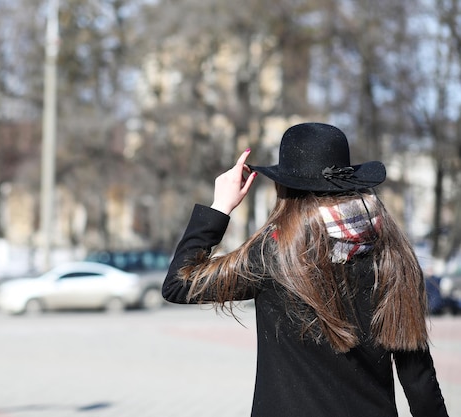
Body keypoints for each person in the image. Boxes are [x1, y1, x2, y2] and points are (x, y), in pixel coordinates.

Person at [162, 122, 449, 417]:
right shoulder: (393, 257)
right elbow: (420, 384)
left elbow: (179, 285)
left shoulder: (274, 255)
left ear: (284, 187)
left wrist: (220, 206)